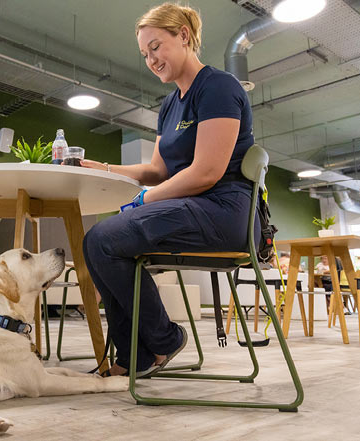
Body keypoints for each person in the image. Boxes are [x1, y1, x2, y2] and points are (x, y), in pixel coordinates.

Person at [80, 3, 259, 377]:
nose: (151, 59)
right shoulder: (168, 105)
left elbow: (206, 172)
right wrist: (106, 168)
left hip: (226, 210)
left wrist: (140, 201)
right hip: (192, 207)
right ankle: (141, 355)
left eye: (156, 47)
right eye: (145, 54)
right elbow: (158, 170)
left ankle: (161, 342)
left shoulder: (218, 87)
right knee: (99, 242)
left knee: (103, 240)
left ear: (184, 35)